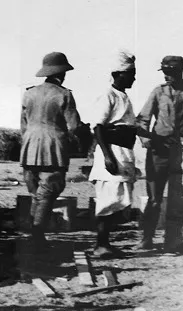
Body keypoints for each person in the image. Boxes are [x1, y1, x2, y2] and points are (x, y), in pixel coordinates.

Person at [134, 55, 183, 251]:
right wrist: (147, 141)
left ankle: (182, 240)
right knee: (154, 198)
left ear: (180, 72)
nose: (167, 76)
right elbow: (143, 119)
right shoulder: (158, 92)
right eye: (165, 72)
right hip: (159, 151)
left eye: (171, 72)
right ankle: (147, 238)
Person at [20, 52, 87, 248]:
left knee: (36, 193)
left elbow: (23, 125)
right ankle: (37, 236)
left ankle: (35, 235)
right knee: (48, 192)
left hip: (29, 147)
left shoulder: (29, 93)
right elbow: (73, 126)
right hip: (53, 149)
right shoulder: (64, 94)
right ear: (63, 73)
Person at [87, 50, 143, 259]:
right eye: (131, 74)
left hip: (124, 153)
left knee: (117, 201)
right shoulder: (108, 95)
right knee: (108, 202)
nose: (134, 78)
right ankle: (101, 245)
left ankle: (105, 243)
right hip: (112, 154)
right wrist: (108, 156)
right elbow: (98, 128)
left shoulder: (123, 97)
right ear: (119, 74)